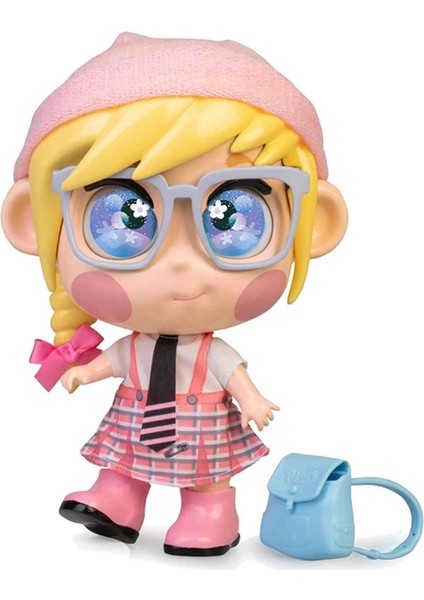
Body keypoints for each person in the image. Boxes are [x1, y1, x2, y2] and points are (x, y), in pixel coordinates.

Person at [1, 33, 347, 556]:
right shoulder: (136, 347)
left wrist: (251, 399)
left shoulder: (211, 353)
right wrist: (83, 372)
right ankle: (118, 498)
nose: (181, 261)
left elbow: (232, 374)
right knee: (122, 462)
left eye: (234, 216)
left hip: (201, 422)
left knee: (206, 477)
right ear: (31, 221)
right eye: (125, 217)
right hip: (137, 418)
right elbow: (115, 361)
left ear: (316, 223)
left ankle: (210, 513)